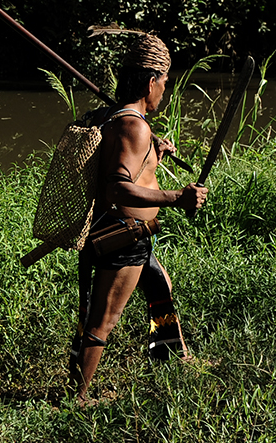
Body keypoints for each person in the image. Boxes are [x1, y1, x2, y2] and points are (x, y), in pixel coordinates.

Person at [67, 34, 208, 405]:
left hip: (130, 234)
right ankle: (75, 399)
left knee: (161, 286)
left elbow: (130, 167)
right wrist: (179, 197)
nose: (164, 91)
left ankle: (172, 358)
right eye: (165, 83)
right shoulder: (134, 125)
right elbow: (117, 188)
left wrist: (153, 154)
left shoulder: (117, 119)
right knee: (103, 321)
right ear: (151, 82)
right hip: (122, 236)